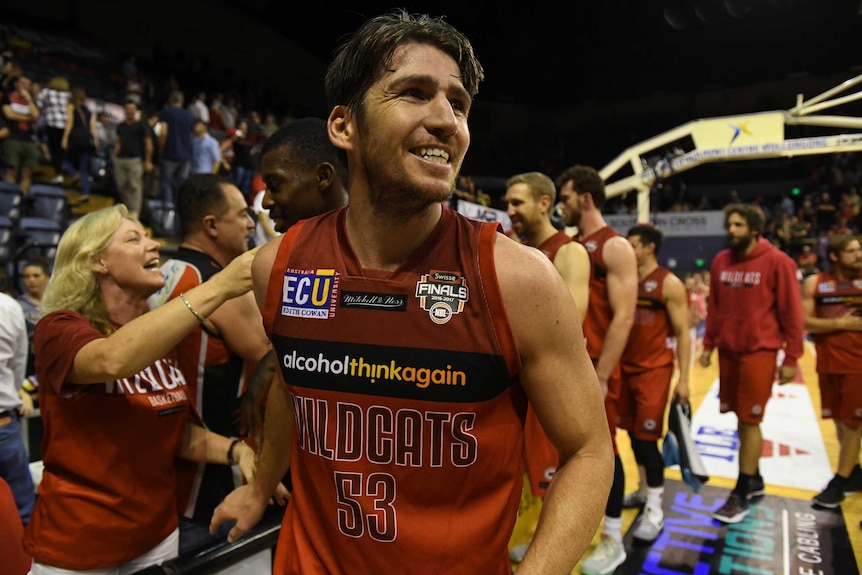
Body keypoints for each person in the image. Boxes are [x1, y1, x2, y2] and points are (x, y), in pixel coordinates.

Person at [211, 10, 613, 574]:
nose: (446, 119)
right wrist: (260, 488)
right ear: (345, 127)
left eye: (458, 104)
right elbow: (290, 388)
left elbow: (590, 452)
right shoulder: (278, 265)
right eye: (414, 93)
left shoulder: (519, 279)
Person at [22, 204, 262, 572]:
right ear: (97, 261)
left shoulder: (155, 336)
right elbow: (111, 361)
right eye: (135, 238)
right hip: (78, 546)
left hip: (157, 537)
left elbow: (168, 432)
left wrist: (236, 451)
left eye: (149, 235)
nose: (154, 245)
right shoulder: (59, 328)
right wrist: (219, 286)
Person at [147, 173, 281, 554]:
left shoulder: (165, 271)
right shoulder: (216, 286)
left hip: (164, 462)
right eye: (241, 215)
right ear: (210, 225)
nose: (250, 224)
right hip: (210, 479)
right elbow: (282, 363)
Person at [503, 170, 591, 562]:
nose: (510, 211)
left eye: (517, 202)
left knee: (552, 477)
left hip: (548, 383)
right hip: (509, 384)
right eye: (508, 203)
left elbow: (569, 323)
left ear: (543, 203)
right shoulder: (509, 252)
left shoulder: (570, 252)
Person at [555, 164, 637, 575]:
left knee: (603, 453)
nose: (561, 205)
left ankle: (614, 539)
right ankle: (568, 534)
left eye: (565, 198)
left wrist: (602, 375)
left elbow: (623, 318)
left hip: (598, 368)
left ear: (584, 199)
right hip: (571, 366)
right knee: (570, 452)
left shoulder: (614, 246)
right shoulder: (573, 245)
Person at [699, 203, 804, 523]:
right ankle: (755, 479)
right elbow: (714, 307)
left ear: (755, 229)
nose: (731, 230)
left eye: (739, 225)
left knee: (750, 420)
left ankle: (742, 491)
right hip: (729, 353)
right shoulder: (720, 261)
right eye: (729, 224)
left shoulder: (778, 262)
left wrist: (792, 357)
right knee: (739, 420)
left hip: (759, 353)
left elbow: (791, 313)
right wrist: (708, 345)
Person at [618, 224, 691, 543]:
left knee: (647, 441)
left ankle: (655, 510)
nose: (627, 250)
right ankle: (644, 490)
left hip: (654, 372)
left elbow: (685, 333)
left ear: (649, 248)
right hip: (626, 369)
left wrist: (684, 379)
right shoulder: (626, 280)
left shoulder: (669, 283)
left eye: (633, 245)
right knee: (633, 437)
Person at [801, 233, 862, 508]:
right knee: (839, 421)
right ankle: (854, 473)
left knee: (852, 424)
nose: (858, 255)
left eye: (859, 250)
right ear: (835, 256)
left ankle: (839, 482)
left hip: (857, 364)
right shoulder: (816, 283)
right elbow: (806, 322)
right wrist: (842, 324)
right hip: (828, 363)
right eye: (851, 251)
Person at [257, 117, 348, 234]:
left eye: (275, 185)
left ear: (322, 177)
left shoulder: (374, 246)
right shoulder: (273, 251)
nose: (266, 202)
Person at [0, 290, 35, 526]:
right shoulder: (8, 306)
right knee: (22, 513)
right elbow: (18, 363)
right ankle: (25, 563)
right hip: (2, 420)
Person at [113, 99, 154, 220]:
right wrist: (114, 156)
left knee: (135, 187)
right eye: (128, 109)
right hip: (120, 159)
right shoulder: (121, 126)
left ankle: (135, 213)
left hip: (135, 160)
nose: (130, 111)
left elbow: (148, 144)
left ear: (136, 111)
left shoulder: (142, 125)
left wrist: (148, 161)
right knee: (122, 186)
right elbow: (118, 142)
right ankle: (126, 211)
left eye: (132, 109)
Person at [1, 75, 41, 195]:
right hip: (12, 137)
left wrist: (28, 99)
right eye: (23, 83)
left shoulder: (30, 101)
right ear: (16, 84)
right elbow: (9, 115)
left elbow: (36, 116)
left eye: (28, 84)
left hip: (28, 139)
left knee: (28, 171)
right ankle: (9, 197)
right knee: (12, 169)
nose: (25, 86)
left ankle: (22, 197)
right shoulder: (8, 97)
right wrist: (28, 118)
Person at [158, 90, 195, 209]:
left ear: (170, 100)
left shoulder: (167, 112)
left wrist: (160, 150)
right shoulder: (189, 116)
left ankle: (169, 211)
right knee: (181, 186)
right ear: (182, 101)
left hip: (170, 153)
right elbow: (190, 136)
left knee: (166, 182)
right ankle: (180, 210)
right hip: (186, 156)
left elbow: (163, 132)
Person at [61, 88, 98, 201]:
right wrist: (96, 142)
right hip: (87, 140)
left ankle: (74, 175)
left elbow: (70, 122)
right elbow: (93, 127)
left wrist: (65, 138)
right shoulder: (89, 111)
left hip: (75, 137)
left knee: (65, 161)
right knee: (84, 169)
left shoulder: (71, 107)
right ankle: (86, 193)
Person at [34, 75, 70, 183]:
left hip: (51, 124)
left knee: (53, 149)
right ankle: (61, 170)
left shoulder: (47, 92)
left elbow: (38, 104)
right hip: (64, 125)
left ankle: (57, 172)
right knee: (61, 150)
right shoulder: (68, 95)